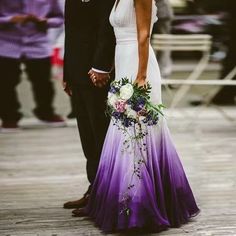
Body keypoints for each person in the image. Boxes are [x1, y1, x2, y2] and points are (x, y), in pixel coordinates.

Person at [82, 0, 200, 233]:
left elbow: (144, 35)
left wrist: (142, 75)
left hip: (139, 65)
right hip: (122, 61)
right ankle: (124, 202)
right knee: (123, 128)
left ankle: (139, 206)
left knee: (139, 129)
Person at [62, 0, 116, 212]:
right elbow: (71, 32)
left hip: (97, 72)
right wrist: (68, 72)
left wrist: (102, 66)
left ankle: (105, 194)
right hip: (77, 71)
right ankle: (94, 188)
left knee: (100, 132)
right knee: (87, 135)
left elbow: (107, 27)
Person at [0, 0, 65, 131]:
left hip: (37, 44)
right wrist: (11, 19)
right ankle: (9, 118)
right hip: (6, 43)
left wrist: (45, 22)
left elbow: (59, 18)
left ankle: (46, 112)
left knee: (43, 82)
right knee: (6, 83)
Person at [152, 0, 174, 78]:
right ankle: (161, 72)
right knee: (161, 45)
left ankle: (163, 73)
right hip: (161, 14)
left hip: (161, 14)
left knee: (163, 45)